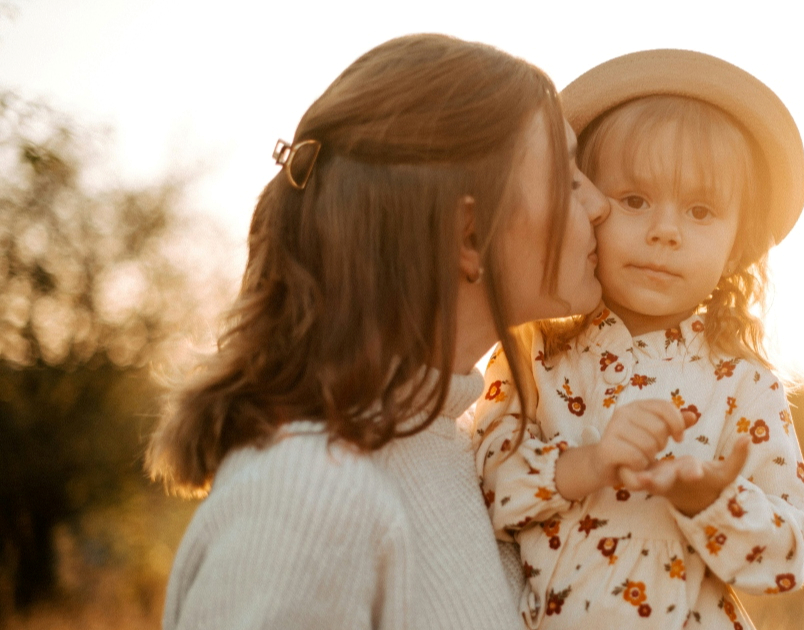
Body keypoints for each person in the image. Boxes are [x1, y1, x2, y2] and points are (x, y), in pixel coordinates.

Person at [146, 34, 611, 630]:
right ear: (469, 233)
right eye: (567, 179)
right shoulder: (306, 500)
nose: (599, 204)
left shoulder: (461, 454)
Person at [473, 49, 804, 629]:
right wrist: (589, 463)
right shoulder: (533, 354)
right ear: (584, 204)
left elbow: (792, 554)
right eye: (634, 201)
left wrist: (710, 499)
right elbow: (483, 486)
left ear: (738, 246)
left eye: (701, 210)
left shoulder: (741, 383)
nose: (664, 231)